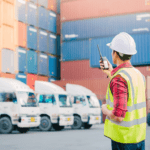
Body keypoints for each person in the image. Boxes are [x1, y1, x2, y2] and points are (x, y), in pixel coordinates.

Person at [100, 32, 146, 150]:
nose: (111, 53)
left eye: (112, 51)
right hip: (139, 138)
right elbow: (127, 92)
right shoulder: (138, 74)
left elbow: (119, 116)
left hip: (124, 140)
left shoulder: (119, 78)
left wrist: (105, 110)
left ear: (115, 53)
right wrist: (110, 72)